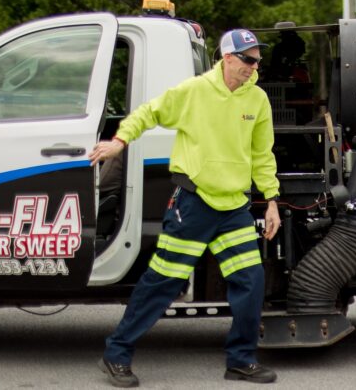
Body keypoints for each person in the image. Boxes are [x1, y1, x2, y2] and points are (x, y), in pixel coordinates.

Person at [89, 28, 282, 387]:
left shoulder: (257, 100)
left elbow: (262, 154)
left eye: (257, 60)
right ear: (227, 58)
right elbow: (148, 113)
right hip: (193, 204)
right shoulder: (193, 92)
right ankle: (116, 353)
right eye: (248, 59)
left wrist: (270, 201)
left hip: (234, 207)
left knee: (251, 282)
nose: (254, 67)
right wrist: (119, 141)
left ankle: (240, 360)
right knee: (163, 282)